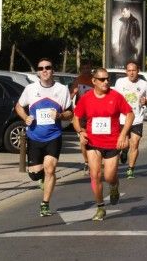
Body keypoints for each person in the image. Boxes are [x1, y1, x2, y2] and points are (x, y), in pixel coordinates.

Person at [73, 67, 134, 221]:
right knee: (95, 175)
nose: (106, 82)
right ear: (94, 81)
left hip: (112, 142)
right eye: (102, 79)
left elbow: (130, 114)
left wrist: (123, 135)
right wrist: (80, 132)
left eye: (107, 79)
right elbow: (76, 117)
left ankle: (114, 186)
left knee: (109, 176)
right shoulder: (86, 98)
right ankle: (100, 207)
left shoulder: (116, 96)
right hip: (93, 142)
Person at [15, 58, 73, 217]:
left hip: (54, 136)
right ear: (38, 72)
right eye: (41, 68)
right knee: (34, 174)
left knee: (50, 169)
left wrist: (60, 115)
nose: (44, 70)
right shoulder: (30, 89)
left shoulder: (62, 89)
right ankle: (41, 179)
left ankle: (45, 204)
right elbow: (19, 106)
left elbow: (70, 113)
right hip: (34, 136)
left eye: (48, 67)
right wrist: (25, 117)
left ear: (53, 70)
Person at [115, 61, 147, 179]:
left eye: (134, 70)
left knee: (135, 143)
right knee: (124, 144)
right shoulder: (120, 82)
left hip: (137, 118)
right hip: (123, 118)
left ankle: (130, 169)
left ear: (138, 71)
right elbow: (115, 98)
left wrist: (146, 101)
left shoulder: (144, 84)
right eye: (129, 70)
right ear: (126, 71)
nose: (131, 73)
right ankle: (124, 151)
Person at [70, 60, 94, 174]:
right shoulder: (77, 80)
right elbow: (70, 96)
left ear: (91, 69)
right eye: (83, 69)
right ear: (81, 70)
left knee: (94, 139)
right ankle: (86, 162)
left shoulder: (95, 80)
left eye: (87, 68)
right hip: (81, 114)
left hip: (94, 113)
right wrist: (73, 93)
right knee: (83, 140)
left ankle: (96, 160)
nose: (86, 71)